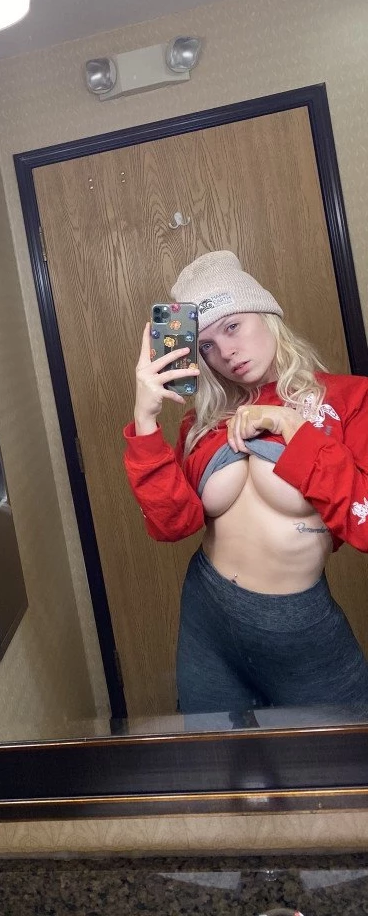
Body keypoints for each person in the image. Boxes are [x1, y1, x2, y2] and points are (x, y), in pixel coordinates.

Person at [123, 250, 368, 719]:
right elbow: (173, 525)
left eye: (233, 326)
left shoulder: (349, 400)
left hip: (299, 627)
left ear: (266, 314)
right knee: (215, 755)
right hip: (207, 617)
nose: (226, 353)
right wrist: (146, 420)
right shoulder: (202, 423)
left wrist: (291, 427)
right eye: (207, 346)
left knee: (343, 753)